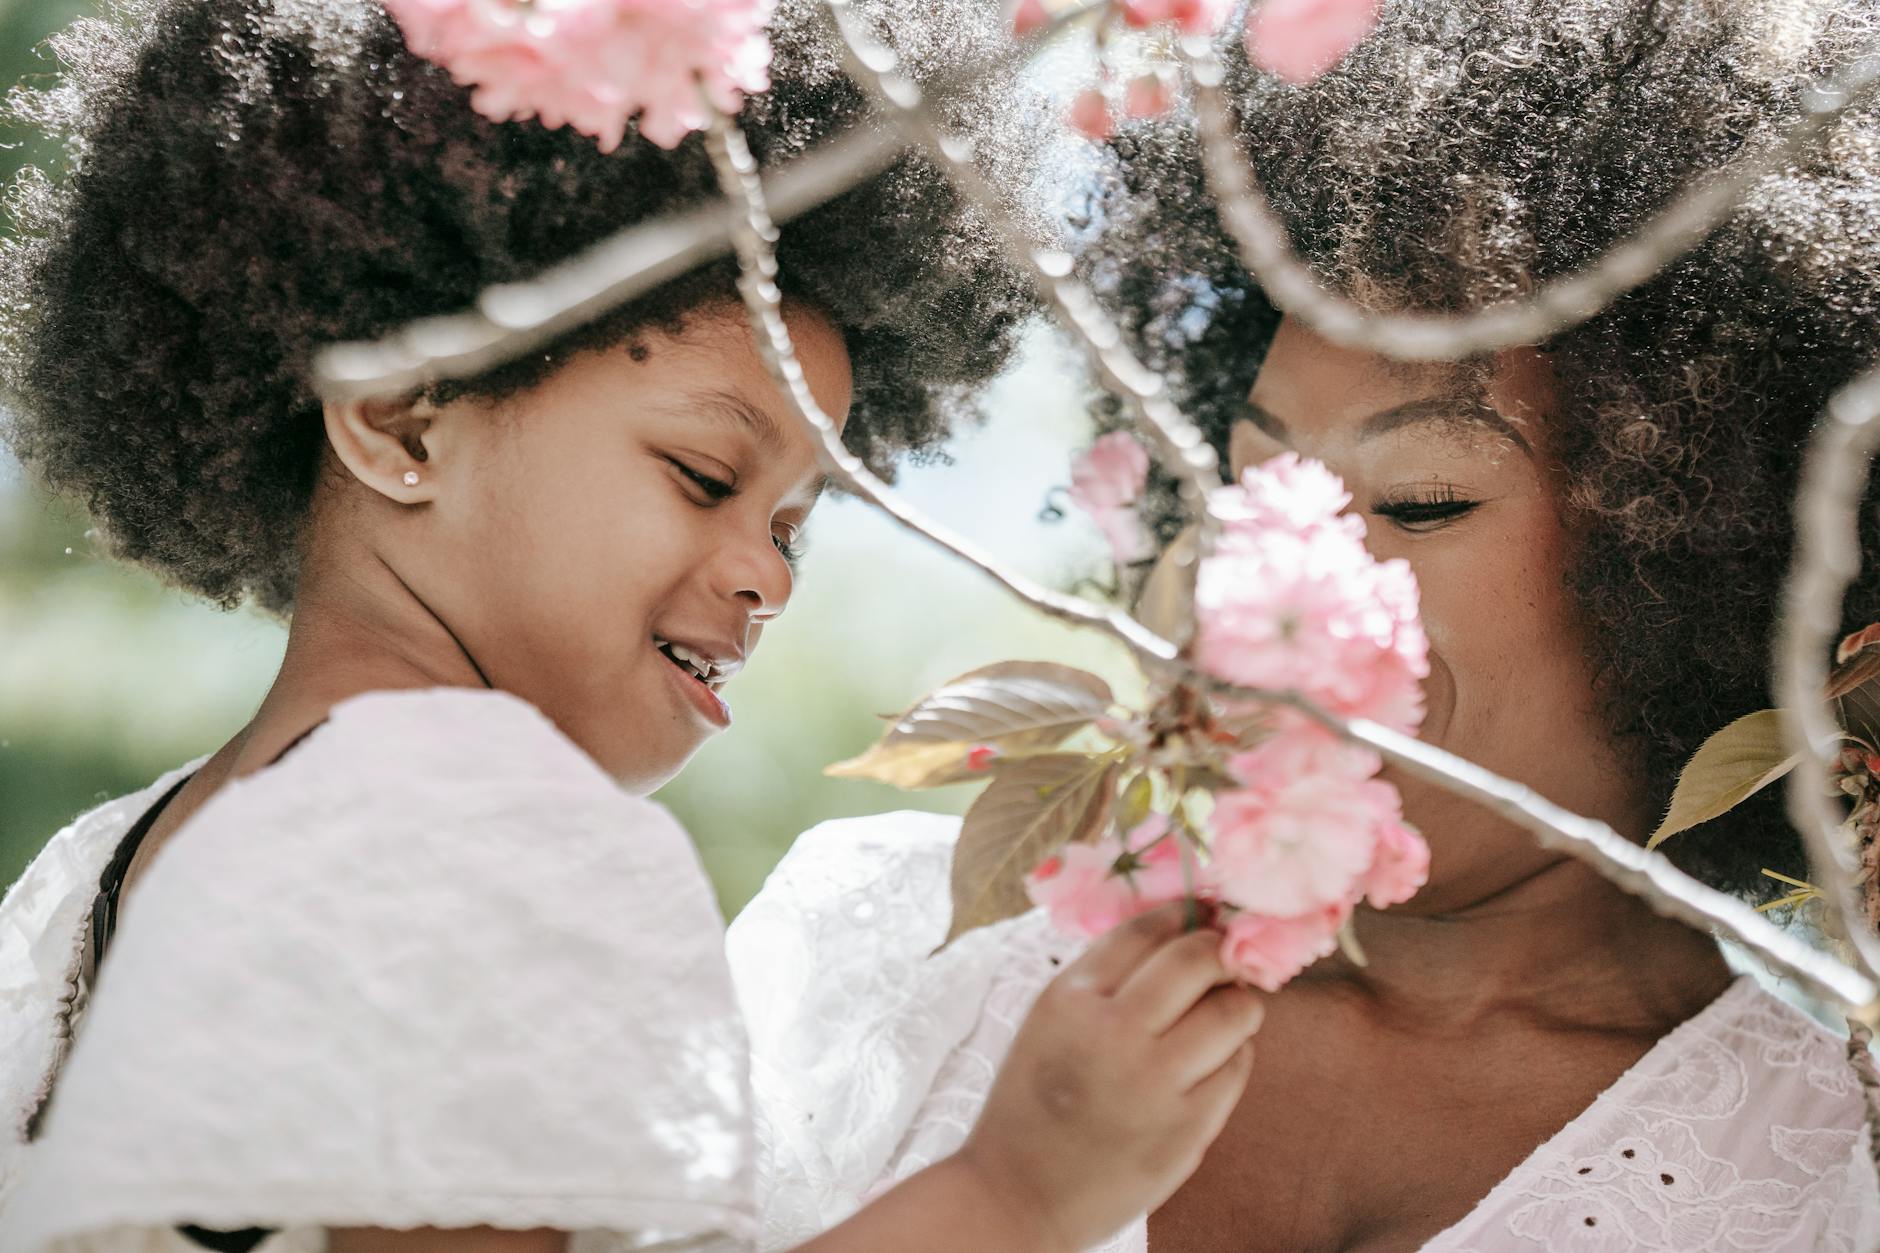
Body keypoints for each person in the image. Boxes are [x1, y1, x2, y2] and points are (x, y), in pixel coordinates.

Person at [0, 0, 1268, 1249]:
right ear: (399, 422)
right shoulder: (485, 825)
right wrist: (1017, 1191)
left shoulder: (101, 871)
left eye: (791, 524)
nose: (767, 580)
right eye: (705, 477)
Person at [730, 2, 1880, 1249]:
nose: (1276, 576)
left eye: (1420, 500)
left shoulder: (1832, 1172)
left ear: (1706, 555)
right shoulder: (899, 955)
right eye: (1249, 480)